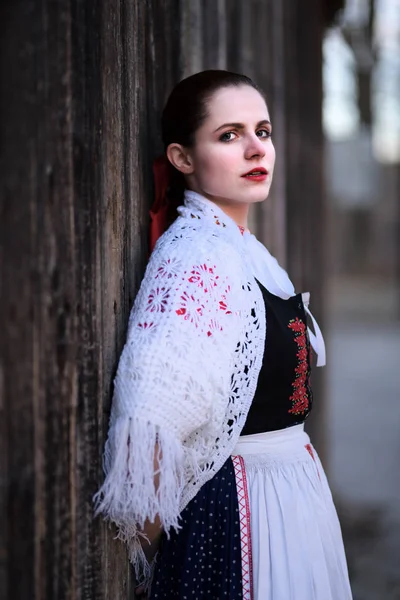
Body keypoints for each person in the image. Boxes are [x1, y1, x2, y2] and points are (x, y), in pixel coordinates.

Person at [94, 70, 353, 600]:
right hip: (238, 516)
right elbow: (153, 416)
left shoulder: (244, 252)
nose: (256, 149)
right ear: (183, 158)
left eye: (263, 131)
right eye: (229, 135)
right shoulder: (198, 259)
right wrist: (152, 555)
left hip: (290, 499)